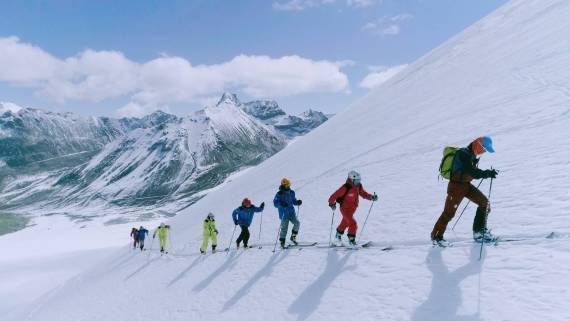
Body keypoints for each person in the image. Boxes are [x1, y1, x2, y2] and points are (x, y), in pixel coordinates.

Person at [431, 136, 498, 245]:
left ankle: (479, 232)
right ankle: (436, 237)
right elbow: (472, 172)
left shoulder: (471, 155)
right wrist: (487, 173)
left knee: (484, 203)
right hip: (456, 188)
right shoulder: (463, 154)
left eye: (485, 150)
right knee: (448, 213)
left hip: (465, 185)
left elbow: (472, 171)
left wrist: (487, 172)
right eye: (484, 148)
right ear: (478, 144)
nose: (483, 152)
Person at [328, 170, 378, 246]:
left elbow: (363, 194)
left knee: (345, 222)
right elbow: (333, 196)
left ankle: (337, 237)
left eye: (359, 180)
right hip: (344, 208)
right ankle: (351, 240)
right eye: (356, 180)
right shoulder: (345, 187)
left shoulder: (358, 186)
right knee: (353, 223)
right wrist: (331, 204)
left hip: (353, 209)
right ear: (352, 179)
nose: (358, 182)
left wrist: (371, 197)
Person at [273, 178, 302, 248]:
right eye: (287, 185)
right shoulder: (279, 194)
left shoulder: (291, 192)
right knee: (284, 228)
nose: (289, 186)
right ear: (283, 185)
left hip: (291, 212)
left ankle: (293, 237)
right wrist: (281, 204)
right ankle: (282, 241)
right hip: (284, 214)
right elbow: (275, 203)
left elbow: (293, 201)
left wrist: (297, 202)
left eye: (289, 185)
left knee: (297, 223)